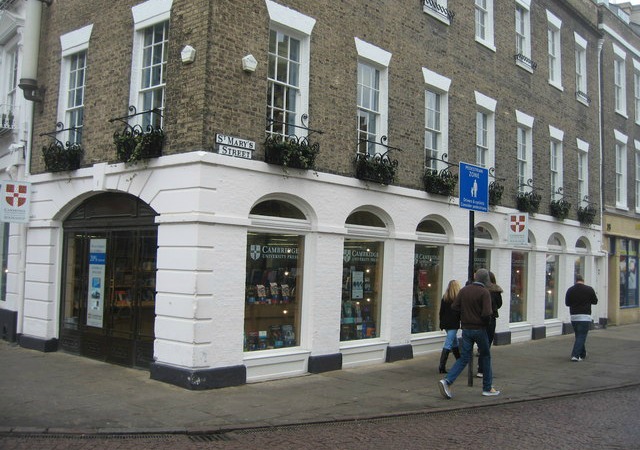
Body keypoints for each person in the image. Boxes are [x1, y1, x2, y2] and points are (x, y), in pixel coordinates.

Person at [438, 269, 500, 398]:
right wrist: (484, 322)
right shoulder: (484, 292)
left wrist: (464, 315)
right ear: (486, 280)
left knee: (464, 357)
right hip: (479, 329)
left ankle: (447, 380)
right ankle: (487, 388)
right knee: (485, 356)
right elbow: (487, 313)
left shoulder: (464, 290)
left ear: (475, 278)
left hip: (466, 329)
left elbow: (455, 307)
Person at [565, 274, 598, 361]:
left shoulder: (570, 290)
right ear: (583, 280)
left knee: (578, 335)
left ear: (575, 281)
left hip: (574, 316)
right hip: (584, 316)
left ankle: (582, 353)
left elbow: (567, 303)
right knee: (582, 335)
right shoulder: (589, 289)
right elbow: (595, 301)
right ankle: (575, 355)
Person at [477, 271, 503, 378]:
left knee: (482, 343)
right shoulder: (495, 290)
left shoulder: (481, 290)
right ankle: (482, 369)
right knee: (487, 344)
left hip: (480, 318)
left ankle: (481, 367)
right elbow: (500, 304)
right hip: (491, 319)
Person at [438, 279, 461, 373]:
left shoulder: (445, 298)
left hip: (446, 323)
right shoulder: (458, 300)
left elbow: (441, 312)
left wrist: (441, 323)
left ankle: (459, 361)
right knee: (449, 343)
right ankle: (441, 366)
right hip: (453, 324)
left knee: (454, 342)